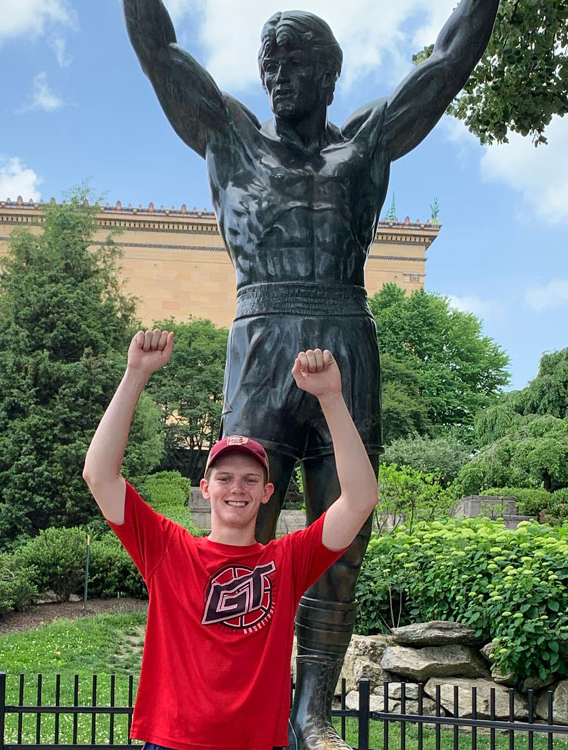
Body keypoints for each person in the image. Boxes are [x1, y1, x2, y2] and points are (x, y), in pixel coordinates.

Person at [122, 3, 499, 747]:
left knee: (343, 535)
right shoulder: (231, 140)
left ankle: (312, 710)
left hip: (345, 337)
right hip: (260, 339)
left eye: (294, 65)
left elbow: (449, 62)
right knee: (241, 537)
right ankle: (241, 691)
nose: (277, 78)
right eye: (269, 66)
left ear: (328, 73)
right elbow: (160, 51)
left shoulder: (366, 143)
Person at [83, 329, 379, 750]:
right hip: (172, 743)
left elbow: (361, 498)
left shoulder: (288, 560)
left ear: (267, 492)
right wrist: (135, 374)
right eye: (224, 478)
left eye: (249, 479)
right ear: (206, 488)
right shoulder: (169, 549)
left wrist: (331, 397)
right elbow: (99, 475)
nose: (236, 488)